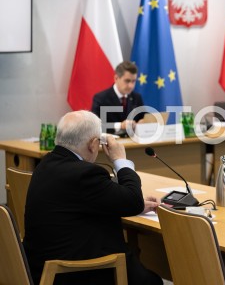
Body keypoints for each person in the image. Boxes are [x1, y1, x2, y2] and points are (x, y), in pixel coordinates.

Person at [23, 111, 162, 285]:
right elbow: (132, 201)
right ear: (93, 144)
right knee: (153, 282)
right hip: (74, 273)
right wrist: (120, 160)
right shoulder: (84, 173)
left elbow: (87, 200)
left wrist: (129, 202)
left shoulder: (46, 164)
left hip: (40, 268)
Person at [92, 61, 145, 136]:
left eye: (133, 81)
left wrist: (143, 122)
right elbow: (95, 126)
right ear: (116, 78)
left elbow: (143, 117)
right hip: (109, 144)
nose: (131, 86)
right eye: (127, 81)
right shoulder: (101, 98)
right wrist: (120, 125)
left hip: (133, 143)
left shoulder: (137, 97)